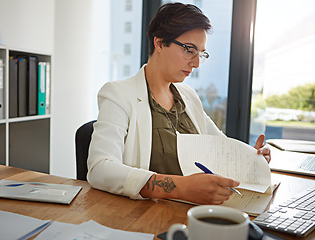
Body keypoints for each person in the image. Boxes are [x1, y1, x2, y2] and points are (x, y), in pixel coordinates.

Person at [87, 2, 271, 205]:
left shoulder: (188, 96)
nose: (196, 63)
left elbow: (221, 148)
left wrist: (251, 157)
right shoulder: (118, 94)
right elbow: (100, 168)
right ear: (159, 43)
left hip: (195, 211)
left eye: (201, 53)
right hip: (146, 215)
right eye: (189, 50)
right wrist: (181, 187)